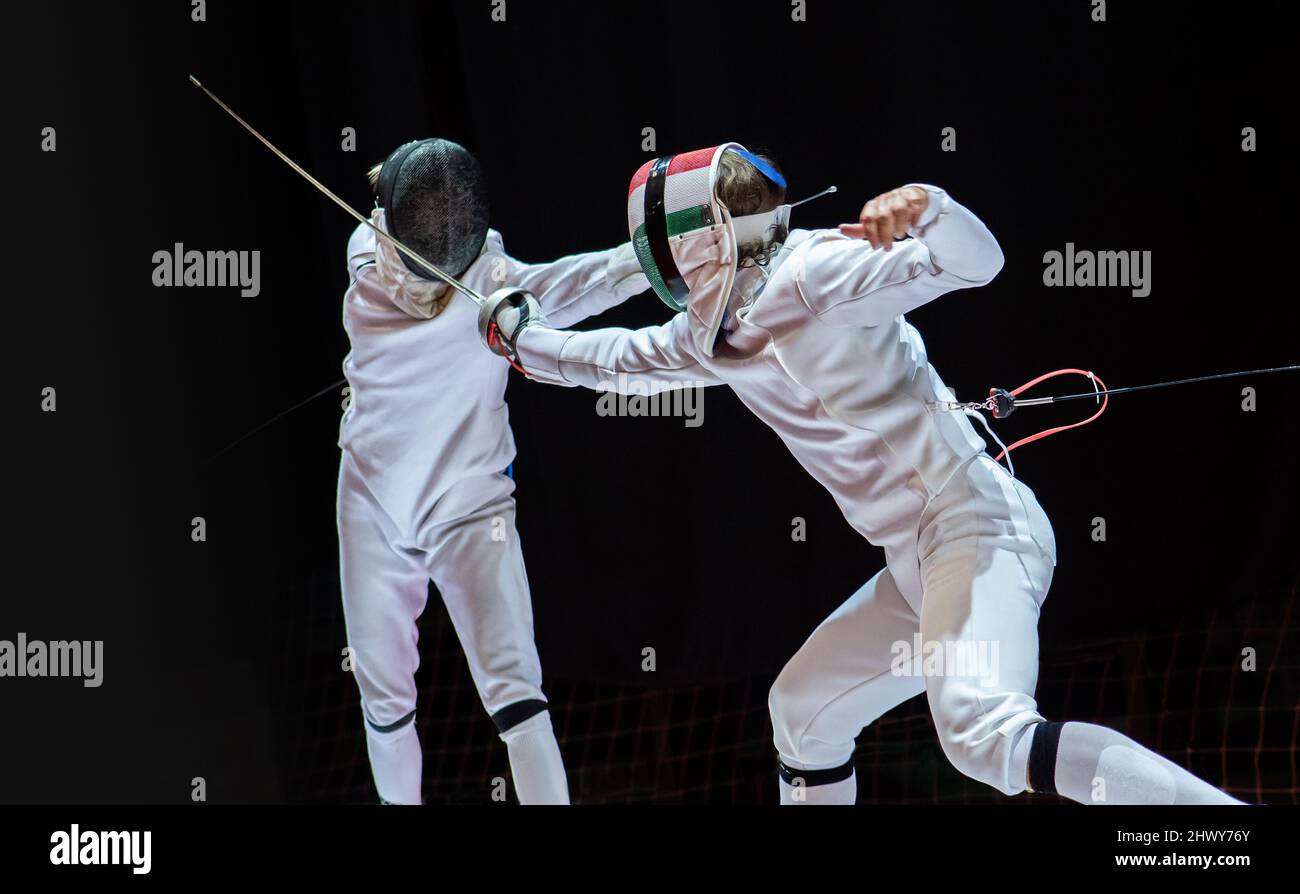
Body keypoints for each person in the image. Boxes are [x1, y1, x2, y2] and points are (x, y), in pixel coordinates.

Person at [479, 143, 1243, 805]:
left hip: (976, 529)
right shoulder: (716, 338)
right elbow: (617, 364)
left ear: (708, 242)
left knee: (984, 733)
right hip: (915, 565)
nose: (665, 272)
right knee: (802, 714)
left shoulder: (818, 272)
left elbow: (978, 264)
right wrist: (523, 339)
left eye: (669, 254)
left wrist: (931, 207)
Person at [338, 138, 646, 804]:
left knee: (517, 697)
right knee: (384, 699)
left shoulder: (493, 282)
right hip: (370, 503)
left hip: (471, 511)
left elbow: (591, 279)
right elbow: (568, 284)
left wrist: (657, 254)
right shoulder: (365, 253)